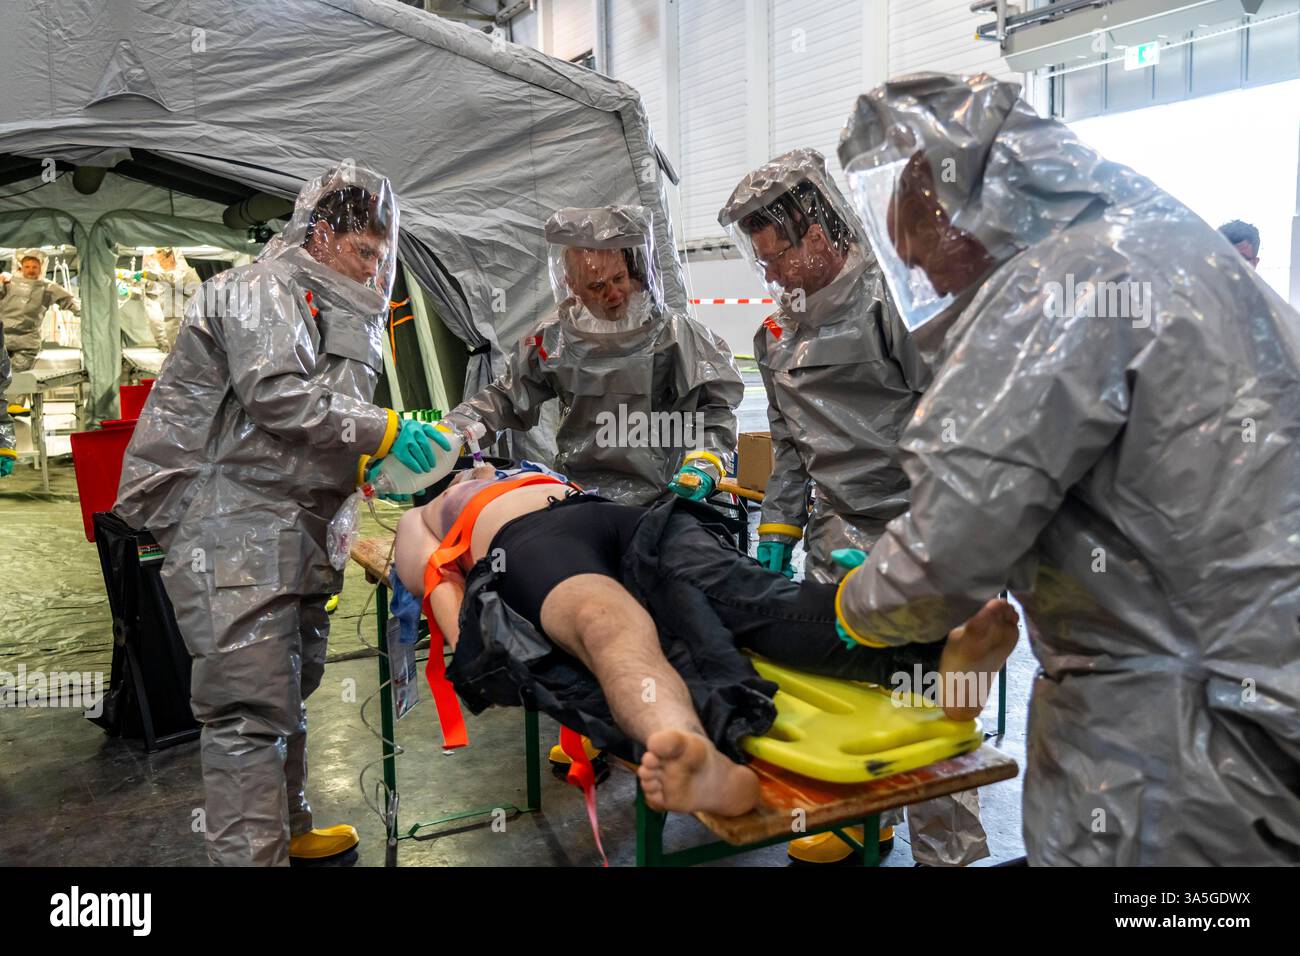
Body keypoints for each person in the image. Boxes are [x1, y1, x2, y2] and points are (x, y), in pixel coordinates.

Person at [835, 72, 1300, 865]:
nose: (935, 284)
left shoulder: (1054, 288)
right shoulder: (1178, 250)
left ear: (968, 214)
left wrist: (855, 605)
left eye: (928, 257)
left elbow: (950, 550)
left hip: (1175, 749)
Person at [114, 162, 453, 867]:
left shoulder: (330, 301)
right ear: (321, 233)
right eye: (362, 252)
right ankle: (250, 858)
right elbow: (278, 397)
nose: (370, 271)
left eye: (380, 259)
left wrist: (369, 461)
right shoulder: (259, 290)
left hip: (290, 525)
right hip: (229, 525)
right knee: (246, 707)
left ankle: (289, 828)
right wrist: (386, 432)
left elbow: (323, 423)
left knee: (286, 682)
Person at [393, 462, 1021, 818]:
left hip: (627, 518)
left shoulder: (523, 463)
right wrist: (475, 641)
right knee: (610, 630)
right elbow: (433, 583)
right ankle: (699, 757)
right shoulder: (424, 513)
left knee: (751, 594)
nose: (473, 461)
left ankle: (941, 665)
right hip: (529, 547)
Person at [717, 150, 986, 867]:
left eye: (773, 252)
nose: (765, 271)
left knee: (933, 710)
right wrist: (777, 533)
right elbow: (792, 450)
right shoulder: (775, 336)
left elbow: (956, 431)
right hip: (835, 540)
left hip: (922, 536)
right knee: (845, 692)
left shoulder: (898, 304)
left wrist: (916, 545)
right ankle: (865, 816)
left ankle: (947, 857)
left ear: (816, 232)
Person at [442, 205, 744, 506]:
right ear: (571, 286)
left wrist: (704, 462)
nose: (613, 294)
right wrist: (450, 432)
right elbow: (506, 397)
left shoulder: (674, 336)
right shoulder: (554, 338)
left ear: (634, 271)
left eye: (619, 278)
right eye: (597, 286)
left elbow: (716, 406)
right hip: (578, 493)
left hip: (667, 495)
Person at [0, 249, 78, 373]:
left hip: (26, 343)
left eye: (34, 267)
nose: (31, 270)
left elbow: (70, 302)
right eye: (27, 266)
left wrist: (91, 314)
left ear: (41, 268)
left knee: (15, 377)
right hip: (3, 337)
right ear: (21, 267)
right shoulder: (8, 283)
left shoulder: (48, 288)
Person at [142, 246, 202, 350]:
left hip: (194, 334)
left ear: (170, 255)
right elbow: (155, 318)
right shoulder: (166, 286)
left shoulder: (186, 274)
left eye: (159, 254)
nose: (157, 260)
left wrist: (151, 276)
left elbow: (177, 278)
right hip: (178, 341)